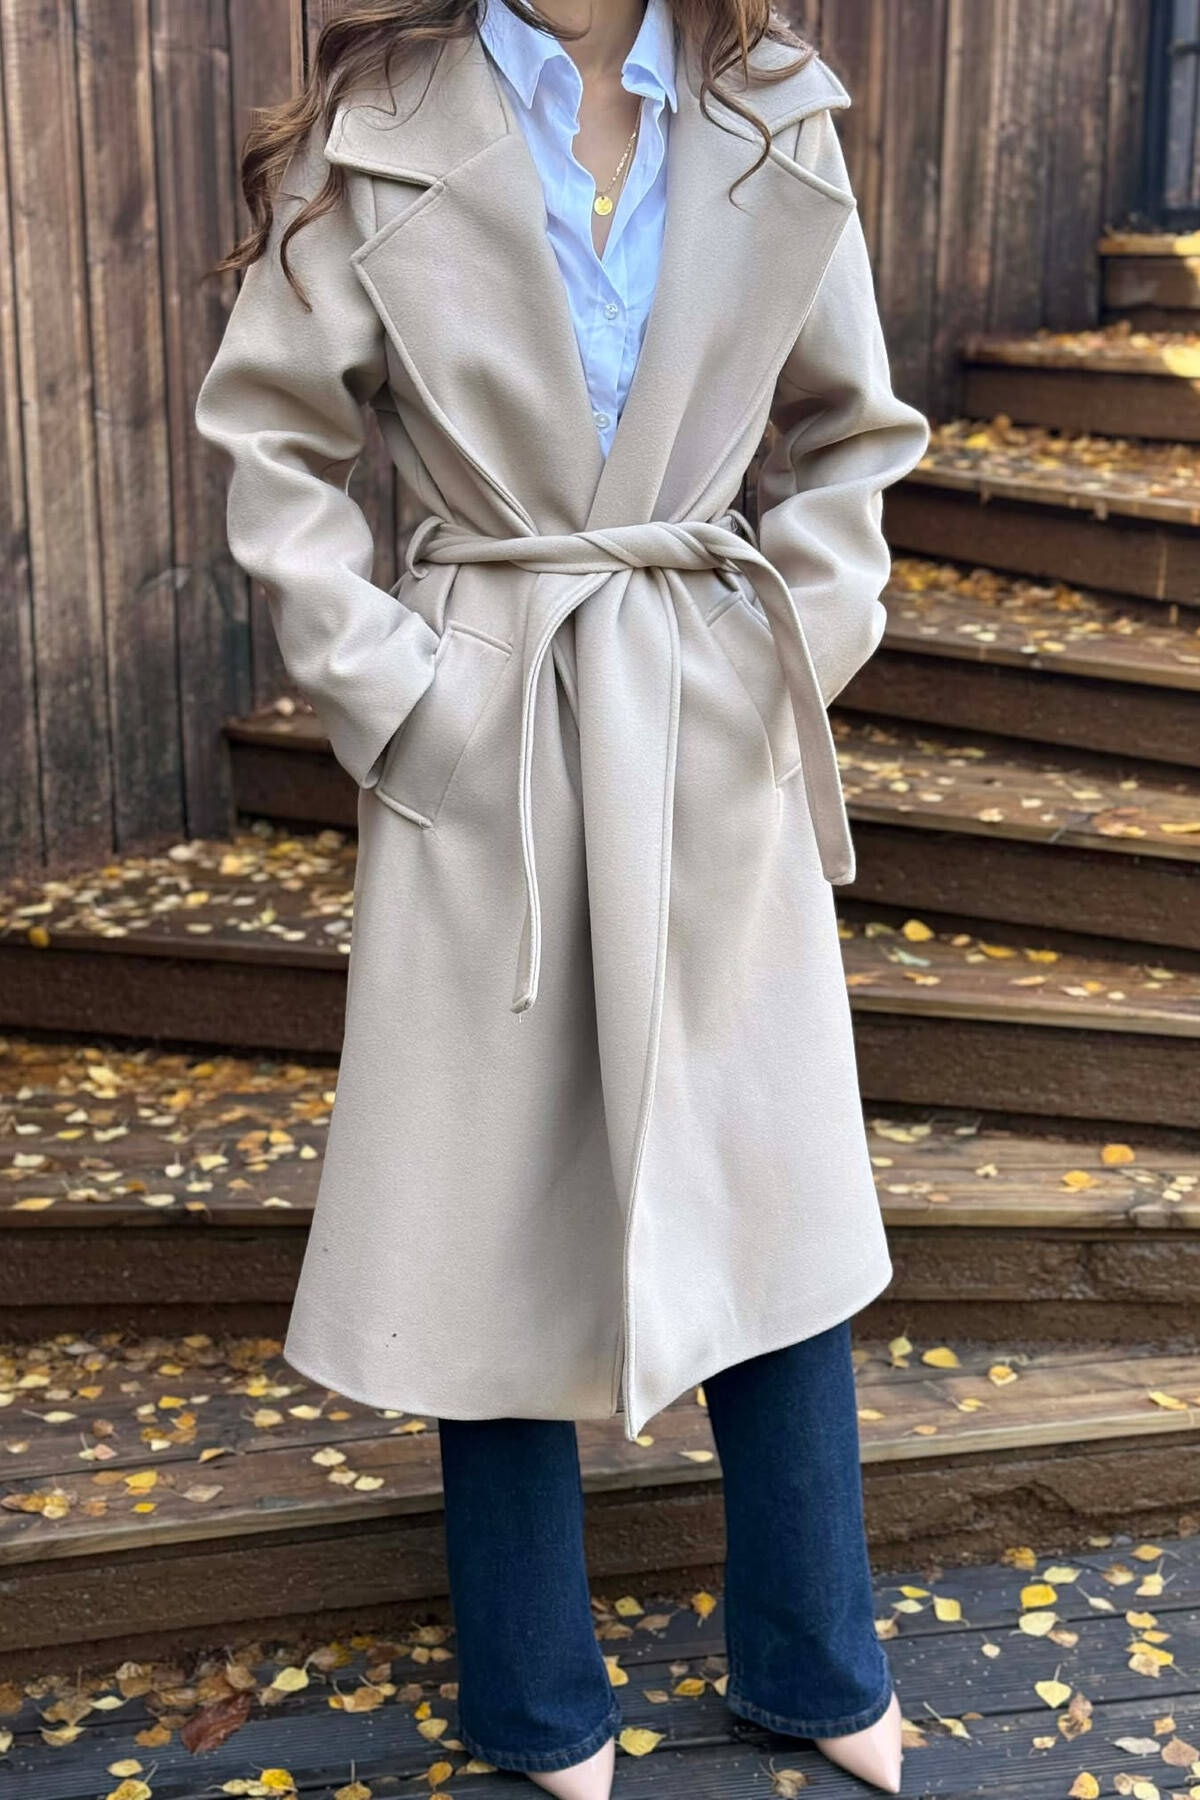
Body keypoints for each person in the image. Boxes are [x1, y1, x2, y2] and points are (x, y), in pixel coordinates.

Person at [194, 2, 930, 1793]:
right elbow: (274, 444)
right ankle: (537, 1699)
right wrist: (403, 692)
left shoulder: (773, 106)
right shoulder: (379, 117)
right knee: (488, 1190)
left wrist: (785, 654)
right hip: (490, 713)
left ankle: (819, 1662)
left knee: (766, 1173)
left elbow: (854, 432)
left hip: (702, 702)